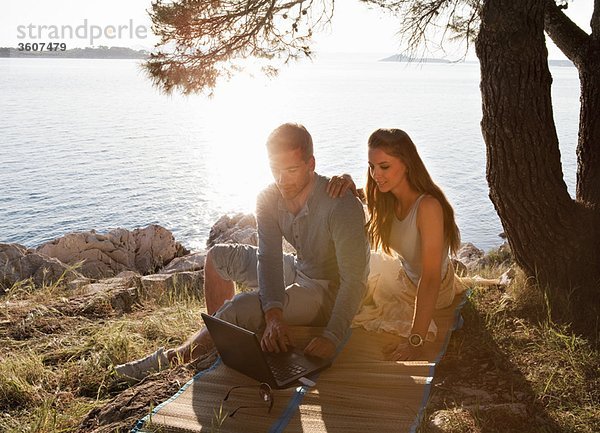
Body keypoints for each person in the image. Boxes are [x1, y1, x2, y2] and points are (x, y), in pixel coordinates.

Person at [115, 123, 370, 380]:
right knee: (218, 258)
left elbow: (354, 278)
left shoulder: (340, 204)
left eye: (291, 170)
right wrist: (274, 316)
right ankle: (220, 346)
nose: (282, 180)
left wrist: (332, 336)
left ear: (311, 164)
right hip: (299, 267)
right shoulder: (268, 198)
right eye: (275, 169)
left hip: (326, 288)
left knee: (240, 307)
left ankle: (174, 358)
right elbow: (268, 258)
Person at [335, 128, 463, 361]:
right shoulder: (386, 195)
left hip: (434, 288)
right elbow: (357, 194)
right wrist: (346, 178)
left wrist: (415, 340)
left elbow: (431, 277)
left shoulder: (428, 207)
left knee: (359, 286)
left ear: (406, 163)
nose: (376, 174)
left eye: (384, 166)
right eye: (371, 166)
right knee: (349, 267)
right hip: (404, 276)